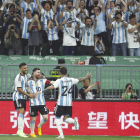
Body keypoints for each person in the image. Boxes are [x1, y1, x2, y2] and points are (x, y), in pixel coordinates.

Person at [42, 67, 92, 138]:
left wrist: (42, 91)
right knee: (66, 119)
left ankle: (61, 135)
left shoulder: (59, 80)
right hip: (69, 103)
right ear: (66, 73)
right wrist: (86, 77)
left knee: (57, 117)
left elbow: (51, 88)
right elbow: (80, 79)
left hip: (61, 102)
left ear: (60, 73)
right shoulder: (71, 80)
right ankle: (74, 120)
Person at [12, 63, 37, 137]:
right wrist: (29, 95)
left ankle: (20, 131)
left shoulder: (27, 75)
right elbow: (19, 90)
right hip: (18, 96)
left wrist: (40, 76)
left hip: (23, 97)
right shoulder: (18, 78)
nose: (26, 69)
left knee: (22, 113)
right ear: (20, 69)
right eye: (24, 68)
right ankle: (20, 131)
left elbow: (33, 78)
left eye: (26, 68)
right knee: (21, 112)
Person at [27, 68, 50, 137]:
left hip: (42, 103)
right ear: (34, 73)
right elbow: (24, 88)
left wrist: (46, 78)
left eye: (40, 72)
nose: (39, 73)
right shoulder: (29, 82)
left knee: (46, 117)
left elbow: (51, 82)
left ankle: (39, 126)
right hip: (33, 103)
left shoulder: (43, 80)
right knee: (33, 118)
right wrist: (29, 94)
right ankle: (32, 133)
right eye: (38, 72)